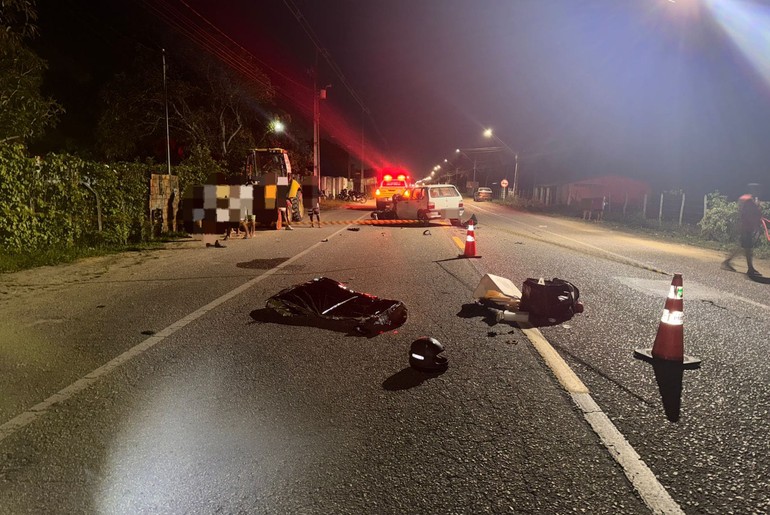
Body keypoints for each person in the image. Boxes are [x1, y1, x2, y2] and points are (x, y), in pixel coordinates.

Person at [722, 183, 763, 277]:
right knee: (747, 248)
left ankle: (727, 262)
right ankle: (750, 268)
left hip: (747, 227)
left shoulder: (750, 199)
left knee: (743, 247)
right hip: (746, 227)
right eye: (756, 189)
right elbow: (748, 214)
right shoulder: (748, 200)